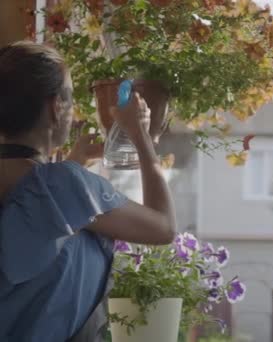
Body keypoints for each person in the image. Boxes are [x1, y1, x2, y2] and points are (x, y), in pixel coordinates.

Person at [0, 41, 177, 341]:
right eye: (70, 98)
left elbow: (37, 223)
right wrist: (141, 136)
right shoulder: (63, 184)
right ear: (56, 107)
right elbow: (163, 227)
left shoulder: (50, 186)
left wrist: (76, 161)